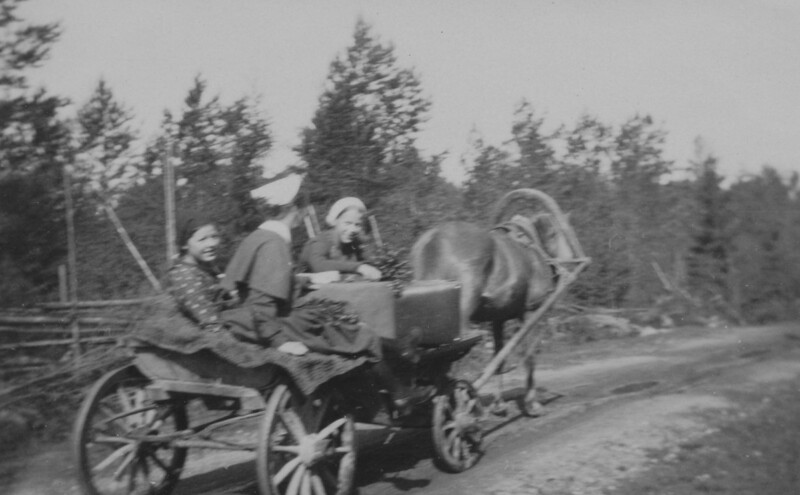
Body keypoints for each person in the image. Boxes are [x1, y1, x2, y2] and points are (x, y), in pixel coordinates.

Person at [223, 176, 432, 411]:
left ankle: (398, 354)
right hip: (267, 325)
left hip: (248, 320)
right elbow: (263, 302)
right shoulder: (275, 244)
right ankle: (399, 393)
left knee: (336, 322)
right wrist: (280, 342)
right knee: (356, 334)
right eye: (304, 208)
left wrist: (302, 280)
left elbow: (248, 285)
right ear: (293, 208)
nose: (305, 214)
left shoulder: (257, 237)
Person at [297, 197, 382, 281]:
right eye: (347, 223)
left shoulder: (353, 245)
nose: (353, 229)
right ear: (334, 221)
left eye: (357, 225)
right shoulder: (320, 241)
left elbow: (367, 263)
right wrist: (358, 267)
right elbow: (318, 265)